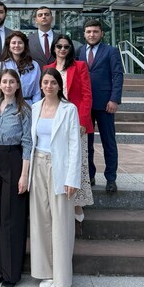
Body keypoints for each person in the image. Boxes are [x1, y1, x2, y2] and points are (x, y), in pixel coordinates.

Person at [29, 68, 81, 287]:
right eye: (45, 82)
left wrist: (72, 178)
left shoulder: (69, 109)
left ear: (60, 85)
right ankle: (47, 273)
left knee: (61, 221)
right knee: (40, 220)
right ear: (41, 85)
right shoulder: (35, 108)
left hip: (59, 167)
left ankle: (62, 278)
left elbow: (75, 145)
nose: (48, 86)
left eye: (53, 82)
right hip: (38, 165)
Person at [0, 69, 32, 287]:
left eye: (12, 82)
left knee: (11, 217)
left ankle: (11, 273)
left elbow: (27, 142)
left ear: (18, 85)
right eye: (4, 81)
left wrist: (24, 175)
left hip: (14, 160)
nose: (8, 85)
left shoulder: (24, 109)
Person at [44, 34, 93, 222]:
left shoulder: (79, 66)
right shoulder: (47, 69)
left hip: (75, 121)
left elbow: (87, 95)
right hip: (53, 120)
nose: (62, 49)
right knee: (58, 159)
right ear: (54, 48)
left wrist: (82, 121)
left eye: (66, 46)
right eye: (59, 46)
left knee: (77, 162)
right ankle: (59, 199)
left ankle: (77, 202)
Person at [77, 19, 124, 193]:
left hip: (105, 104)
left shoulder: (111, 51)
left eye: (95, 31)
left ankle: (111, 178)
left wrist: (114, 99)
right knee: (86, 143)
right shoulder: (79, 52)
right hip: (85, 105)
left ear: (101, 33)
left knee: (108, 142)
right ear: (84, 33)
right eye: (89, 31)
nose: (92, 34)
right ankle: (90, 175)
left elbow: (118, 75)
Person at [0, 31, 41, 117]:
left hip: (28, 108)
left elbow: (37, 92)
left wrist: (34, 112)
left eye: (20, 43)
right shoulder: (2, 65)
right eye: (13, 43)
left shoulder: (34, 66)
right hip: (6, 108)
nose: (16, 45)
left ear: (25, 45)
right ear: (9, 46)